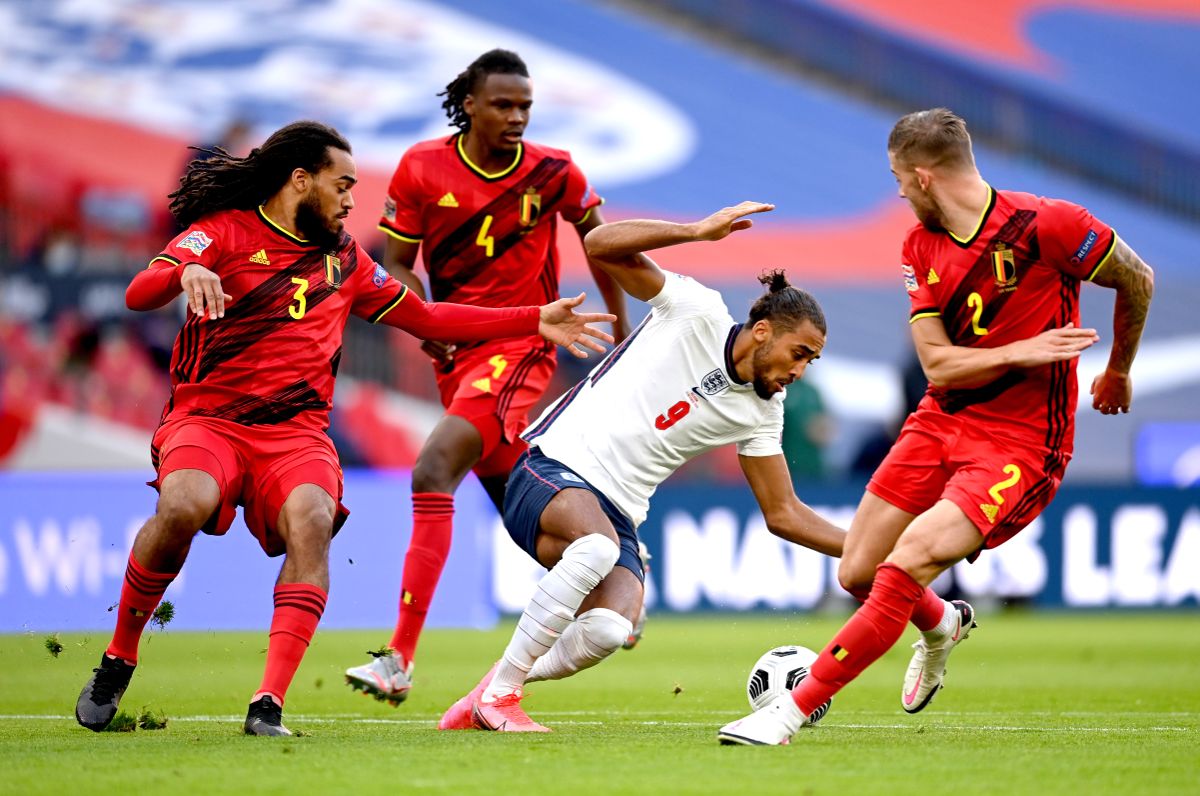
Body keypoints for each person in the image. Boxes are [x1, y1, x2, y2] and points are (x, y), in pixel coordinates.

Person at [72, 120, 615, 737]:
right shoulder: (220, 234)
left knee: (312, 521)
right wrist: (181, 273)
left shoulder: (347, 262)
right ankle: (120, 657)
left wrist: (532, 318)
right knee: (184, 505)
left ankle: (267, 705)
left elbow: (428, 315)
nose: (353, 200)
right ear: (300, 180)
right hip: (210, 421)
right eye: (343, 185)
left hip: (297, 435)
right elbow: (140, 293)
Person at [718, 108, 1154, 745]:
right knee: (858, 572)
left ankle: (788, 713)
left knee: (908, 563)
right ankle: (943, 625)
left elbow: (1137, 278)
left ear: (923, 176)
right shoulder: (918, 246)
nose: (896, 191)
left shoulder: (1048, 225)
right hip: (939, 421)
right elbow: (937, 364)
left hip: (1022, 442)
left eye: (898, 178)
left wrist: (1117, 371)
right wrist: (1020, 351)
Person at [437, 201, 846, 733]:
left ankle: (485, 692)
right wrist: (694, 231)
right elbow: (599, 244)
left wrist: (871, 547)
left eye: (811, 360)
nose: (801, 369)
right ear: (763, 330)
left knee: (608, 629)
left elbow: (784, 513)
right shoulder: (696, 310)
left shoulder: (763, 411)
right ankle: (502, 699)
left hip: (618, 514)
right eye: (800, 352)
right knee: (596, 548)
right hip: (551, 467)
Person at [344, 48, 631, 704]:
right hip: (460, 350)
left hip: (527, 342)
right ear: (468, 104)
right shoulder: (421, 168)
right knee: (516, 499)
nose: (517, 117)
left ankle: (399, 658)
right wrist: (425, 328)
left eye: (525, 106)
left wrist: (620, 326)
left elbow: (604, 243)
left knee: (433, 467)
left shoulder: (553, 171)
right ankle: (615, 598)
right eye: (503, 104)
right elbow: (399, 268)